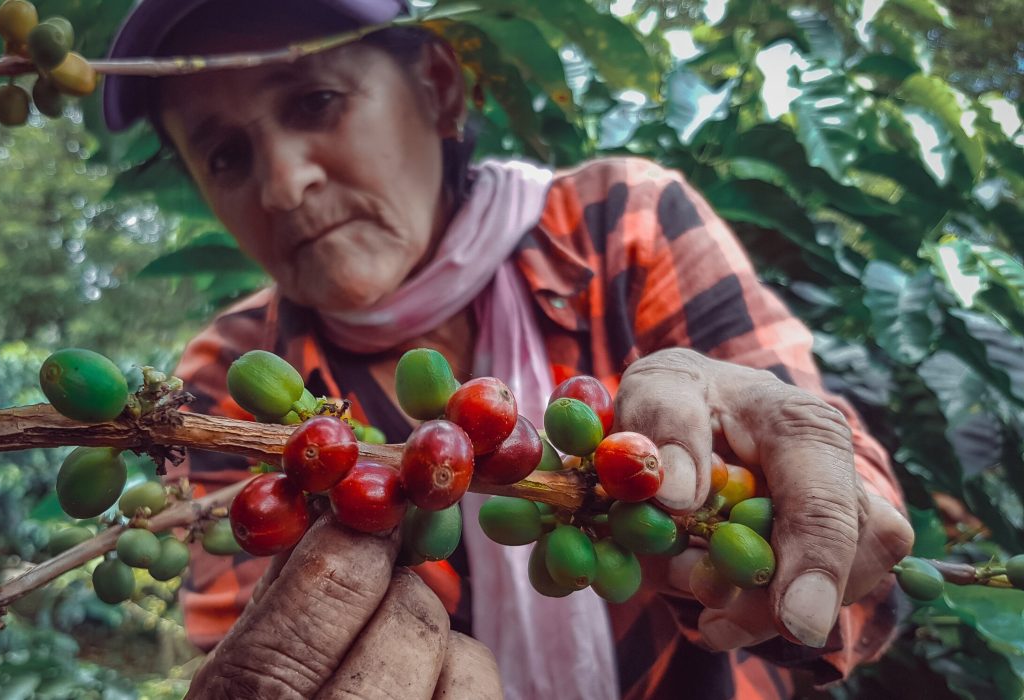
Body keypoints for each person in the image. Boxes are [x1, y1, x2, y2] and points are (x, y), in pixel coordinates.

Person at [102, 1, 916, 698]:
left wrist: (825, 523)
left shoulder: (622, 225)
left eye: (316, 101)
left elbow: (860, 573)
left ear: (439, 89)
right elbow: (252, 638)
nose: (284, 185)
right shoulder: (218, 382)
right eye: (225, 156)